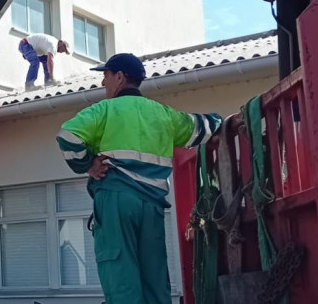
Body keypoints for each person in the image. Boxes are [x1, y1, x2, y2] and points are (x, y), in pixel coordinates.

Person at [55, 53, 222, 304]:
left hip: (116, 200)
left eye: (106, 76)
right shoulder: (163, 114)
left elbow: (68, 136)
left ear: (119, 77)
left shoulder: (104, 110)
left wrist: (88, 164)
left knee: (120, 273)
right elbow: (203, 128)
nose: (103, 83)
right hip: (152, 206)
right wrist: (222, 119)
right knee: (154, 277)